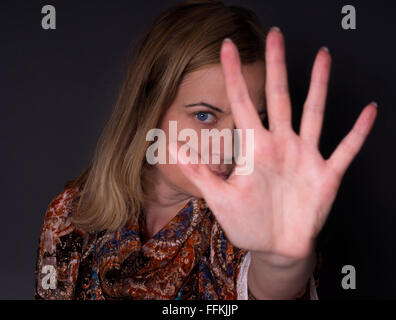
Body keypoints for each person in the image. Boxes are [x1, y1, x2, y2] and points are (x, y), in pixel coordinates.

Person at [34, 0, 377, 300]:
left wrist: (280, 260)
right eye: (204, 115)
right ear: (147, 109)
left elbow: (269, 284)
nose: (230, 144)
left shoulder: (249, 215)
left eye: (250, 120)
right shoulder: (69, 213)